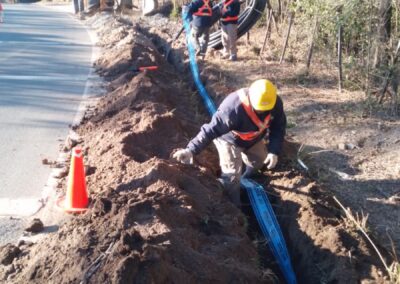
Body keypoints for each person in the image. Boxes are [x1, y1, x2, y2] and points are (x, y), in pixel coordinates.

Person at [173, 79, 286, 207]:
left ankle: (246, 178)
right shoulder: (232, 108)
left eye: (265, 109)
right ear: (251, 99)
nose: (262, 112)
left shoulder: (274, 103)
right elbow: (211, 129)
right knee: (232, 177)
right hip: (229, 141)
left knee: (260, 161)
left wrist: (273, 151)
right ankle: (234, 206)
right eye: (259, 109)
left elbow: (278, 127)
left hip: (253, 138)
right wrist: (191, 150)